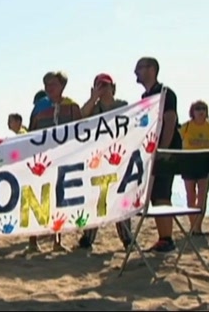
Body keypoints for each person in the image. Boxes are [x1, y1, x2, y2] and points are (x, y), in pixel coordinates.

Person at [27, 71, 82, 252]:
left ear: (62, 86)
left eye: (53, 84)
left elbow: (80, 131)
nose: (49, 88)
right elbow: (31, 132)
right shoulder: (39, 107)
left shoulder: (72, 106)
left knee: (58, 199)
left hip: (62, 160)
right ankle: (32, 242)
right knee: (37, 199)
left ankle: (57, 241)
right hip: (41, 160)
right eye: (47, 84)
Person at [77, 73, 131, 249]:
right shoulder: (94, 107)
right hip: (97, 161)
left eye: (106, 86)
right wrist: (93, 98)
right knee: (94, 198)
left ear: (113, 88)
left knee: (119, 197)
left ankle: (127, 238)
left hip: (118, 159)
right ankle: (88, 237)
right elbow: (80, 118)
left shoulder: (122, 106)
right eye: (99, 86)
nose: (103, 89)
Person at [135, 57, 182, 252]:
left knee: (162, 193)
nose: (136, 72)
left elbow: (170, 120)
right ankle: (164, 237)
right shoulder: (146, 95)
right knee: (155, 194)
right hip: (152, 150)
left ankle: (166, 238)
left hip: (164, 150)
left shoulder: (165, 92)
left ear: (151, 69)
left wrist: (162, 149)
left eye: (140, 68)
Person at [179, 100, 209, 235]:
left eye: (203, 109)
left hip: (204, 163)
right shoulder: (186, 126)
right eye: (197, 109)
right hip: (189, 162)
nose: (201, 111)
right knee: (191, 195)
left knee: (202, 195)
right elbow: (178, 141)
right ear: (192, 112)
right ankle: (192, 226)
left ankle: (198, 226)